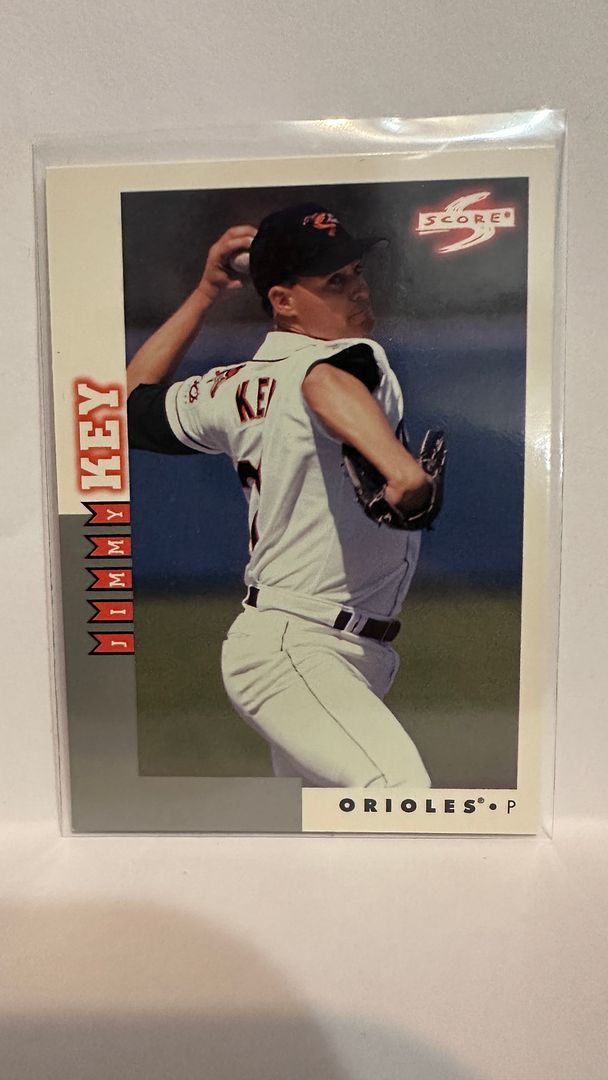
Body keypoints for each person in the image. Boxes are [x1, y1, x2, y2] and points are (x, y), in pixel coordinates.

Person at [127, 203, 439, 788]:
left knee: (317, 831)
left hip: (311, 648)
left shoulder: (232, 386)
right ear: (283, 301)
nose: (358, 289)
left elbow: (126, 404)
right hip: (300, 647)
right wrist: (398, 466)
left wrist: (203, 294)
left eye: (356, 272)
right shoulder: (343, 358)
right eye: (334, 281)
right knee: (399, 795)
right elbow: (324, 382)